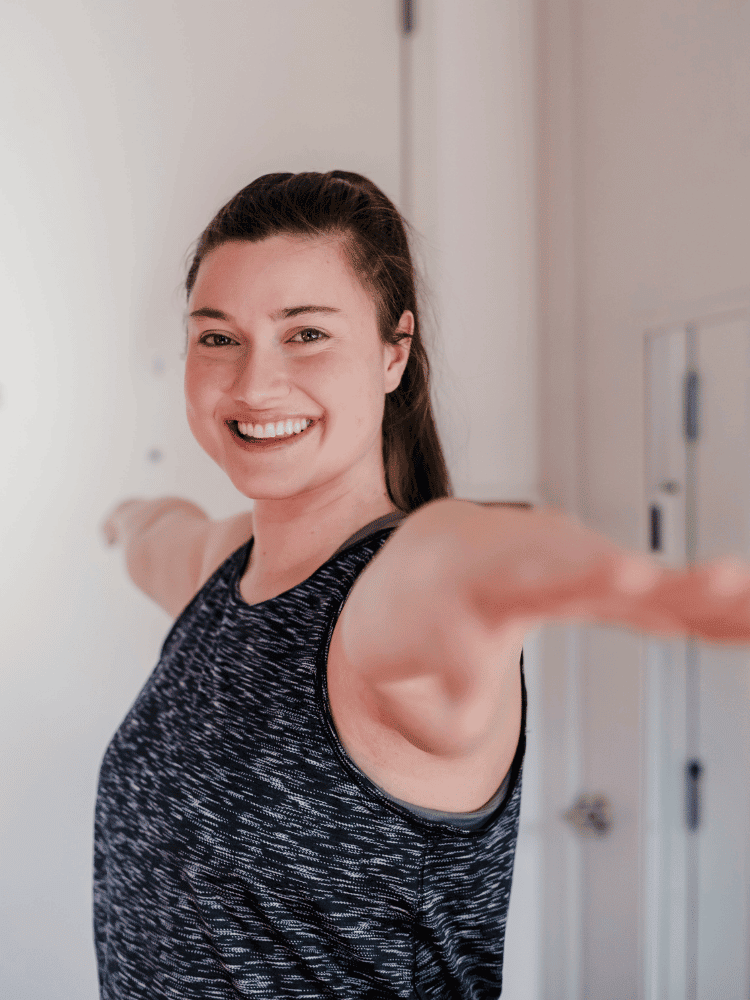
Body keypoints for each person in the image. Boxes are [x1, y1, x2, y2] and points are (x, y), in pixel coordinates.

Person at [97, 170, 750, 999]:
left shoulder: (391, 598)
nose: (254, 384)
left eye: (306, 334)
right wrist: (119, 516)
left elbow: (479, 557)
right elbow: (155, 529)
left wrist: (639, 589)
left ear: (394, 351)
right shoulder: (221, 569)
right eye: (218, 337)